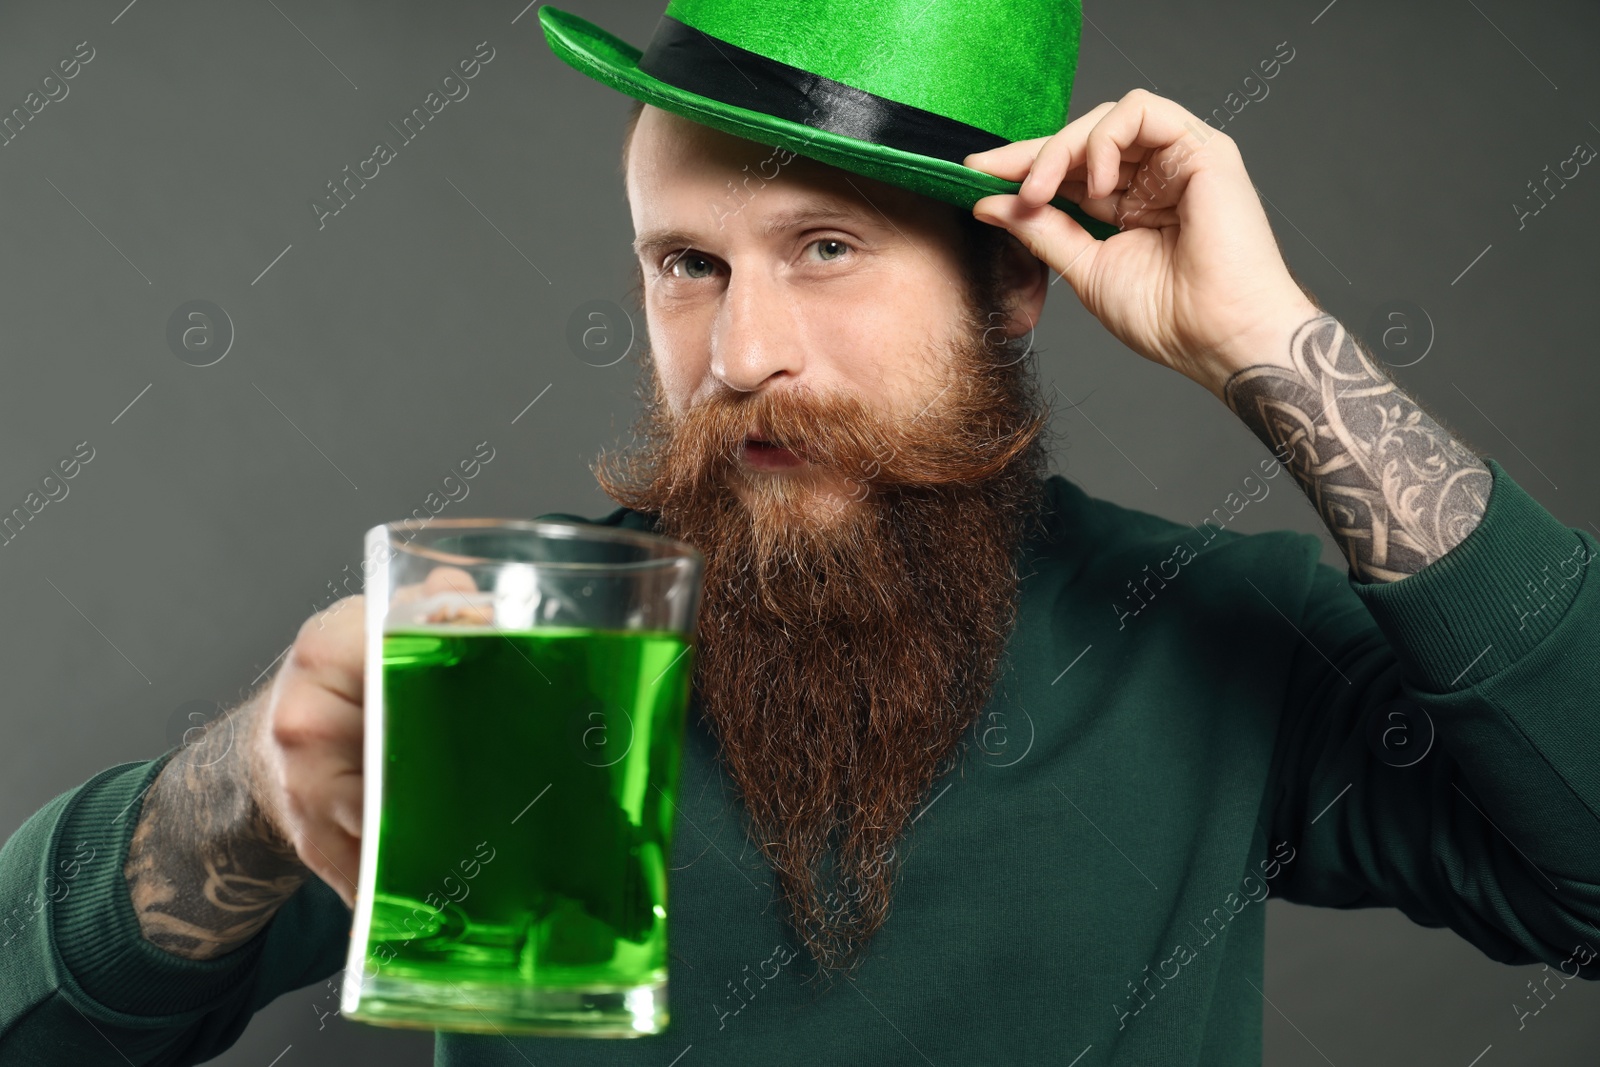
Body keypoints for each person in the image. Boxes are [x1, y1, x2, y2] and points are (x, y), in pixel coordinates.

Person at [3, 2, 1597, 1064]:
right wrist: (233, 797)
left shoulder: (1213, 641)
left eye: (823, 247)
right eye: (685, 263)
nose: (739, 351)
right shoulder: (521, 655)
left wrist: (1272, 345)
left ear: (1014, 282)